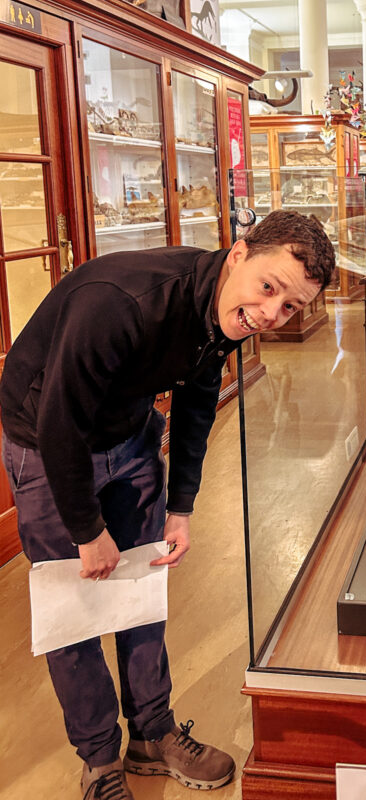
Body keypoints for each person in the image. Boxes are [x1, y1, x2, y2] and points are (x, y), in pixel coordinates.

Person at [0, 210, 335, 800]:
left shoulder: (219, 320)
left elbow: (198, 404)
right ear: (238, 254)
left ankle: (152, 733)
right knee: (72, 609)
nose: (269, 313)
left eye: (288, 307)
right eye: (268, 287)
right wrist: (86, 529)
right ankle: (100, 759)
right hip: (46, 440)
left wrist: (180, 506)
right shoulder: (121, 302)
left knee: (140, 590)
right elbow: (60, 423)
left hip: (128, 435)